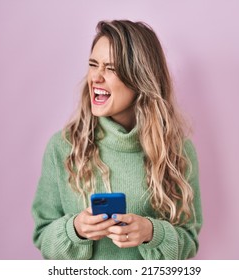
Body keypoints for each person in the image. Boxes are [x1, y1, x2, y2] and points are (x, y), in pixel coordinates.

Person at [32, 19, 202, 260]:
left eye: (111, 68)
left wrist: (152, 233)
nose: (96, 78)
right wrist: (76, 230)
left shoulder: (177, 151)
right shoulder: (62, 147)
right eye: (93, 65)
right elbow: (43, 236)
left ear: (139, 79)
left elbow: (189, 241)